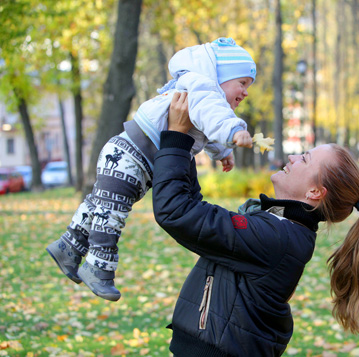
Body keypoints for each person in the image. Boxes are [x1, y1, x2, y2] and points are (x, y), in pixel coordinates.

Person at [151, 94, 359, 356]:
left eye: (304, 159)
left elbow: (177, 211)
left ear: (315, 192)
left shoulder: (277, 236)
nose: (293, 157)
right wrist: (187, 143)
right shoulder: (281, 226)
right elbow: (194, 208)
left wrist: (177, 138)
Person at [46, 37, 256, 301]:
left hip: (138, 161)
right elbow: (214, 115)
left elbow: (207, 125)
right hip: (127, 156)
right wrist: (235, 130)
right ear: (220, 77)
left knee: (99, 205)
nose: (246, 92)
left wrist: (223, 152)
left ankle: (67, 246)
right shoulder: (202, 87)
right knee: (111, 212)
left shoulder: (205, 96)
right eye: (243, 83)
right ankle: (98, 268)